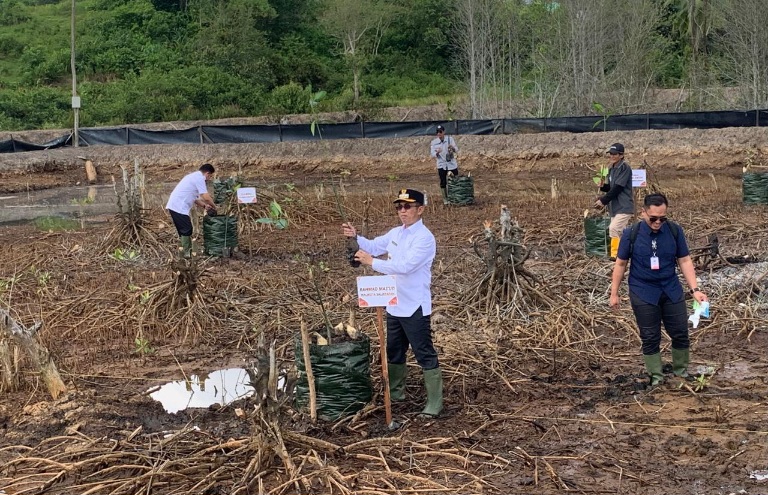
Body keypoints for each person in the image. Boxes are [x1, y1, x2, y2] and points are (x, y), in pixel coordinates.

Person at [341, 188, 442, 417]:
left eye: (407, 207)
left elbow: (405, 267)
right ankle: (396, 394)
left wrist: (371, 262)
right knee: (394, 350)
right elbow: (375, 246)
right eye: (399, 207)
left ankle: (435, 403)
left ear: (420, 209)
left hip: (415, 305)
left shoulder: (425, 238)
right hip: (394, 303)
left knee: (424, 352)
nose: (402, 211)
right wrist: (355, 237)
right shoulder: (397, 233)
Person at [610, 193, 708, 387]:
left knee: (680, 331)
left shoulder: (674, 231)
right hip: (643, 291)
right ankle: (656, 375)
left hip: (670, 289)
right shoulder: (631, 233)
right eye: (653, 218)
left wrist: (695, 289)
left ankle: (680, 371)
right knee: (650, 336)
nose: (657, 222)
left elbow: (685, 260)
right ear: (643, 213)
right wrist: (614, 293)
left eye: (662, 218)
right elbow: (621, 264)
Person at [166, 163, 217, 257]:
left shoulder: (193, 177)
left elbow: (195, 198)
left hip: (176, 205)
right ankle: (186, 254)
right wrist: (214, 206)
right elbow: (206, 196)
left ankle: (184, 252)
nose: (209, 179)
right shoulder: (199, 178)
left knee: (184, 230)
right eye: (210, 176)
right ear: (207, 173)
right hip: (178, 206)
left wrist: (205, 206)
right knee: (186, 229)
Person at [595, 143, 633, 259]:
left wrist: (603, 200)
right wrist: (603, 186)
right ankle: (625, 253)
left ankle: (615, 255)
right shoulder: (611, 168)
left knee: (614, 228)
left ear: (621, 155)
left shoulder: (624, 168)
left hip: (624, 206)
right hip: (614, 207)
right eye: (610, 154)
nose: (612, 156)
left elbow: (618, 188)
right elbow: (611, 187)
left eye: (614, 154)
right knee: (619, 232)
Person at [430, 125, 459, 205]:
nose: (439, 134)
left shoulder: (450, 139)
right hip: (441, 165)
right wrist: (437, 152)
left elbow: (456, 149)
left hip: (451, 164)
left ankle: (455, 197)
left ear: (444, 132)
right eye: (437, 132)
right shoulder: (434, 142)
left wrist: (452, 148)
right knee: (443, 182)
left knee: (455, 180)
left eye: (440, 132)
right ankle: (445, 199)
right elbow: (432, 154)